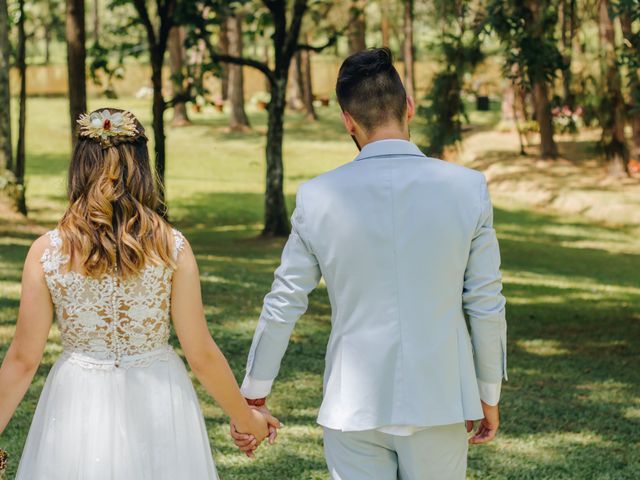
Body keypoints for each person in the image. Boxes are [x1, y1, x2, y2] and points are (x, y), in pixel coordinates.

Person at [232, 48, 508, 479]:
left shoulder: (317, 196)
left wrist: (254, 393)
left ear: (348, 120)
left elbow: (284, 301)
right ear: (409, 106)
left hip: (353, 403)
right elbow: (486, 303)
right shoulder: (467, 188)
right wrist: (488, 392)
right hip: (440, 402)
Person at [0, 108, 279, 479]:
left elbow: (22, 359)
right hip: (160, 395)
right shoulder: (172, 247)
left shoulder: (48, 251)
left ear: (79, 168)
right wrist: (247, 419)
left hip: (78, 401)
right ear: (143, 169)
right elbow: (200, 354)